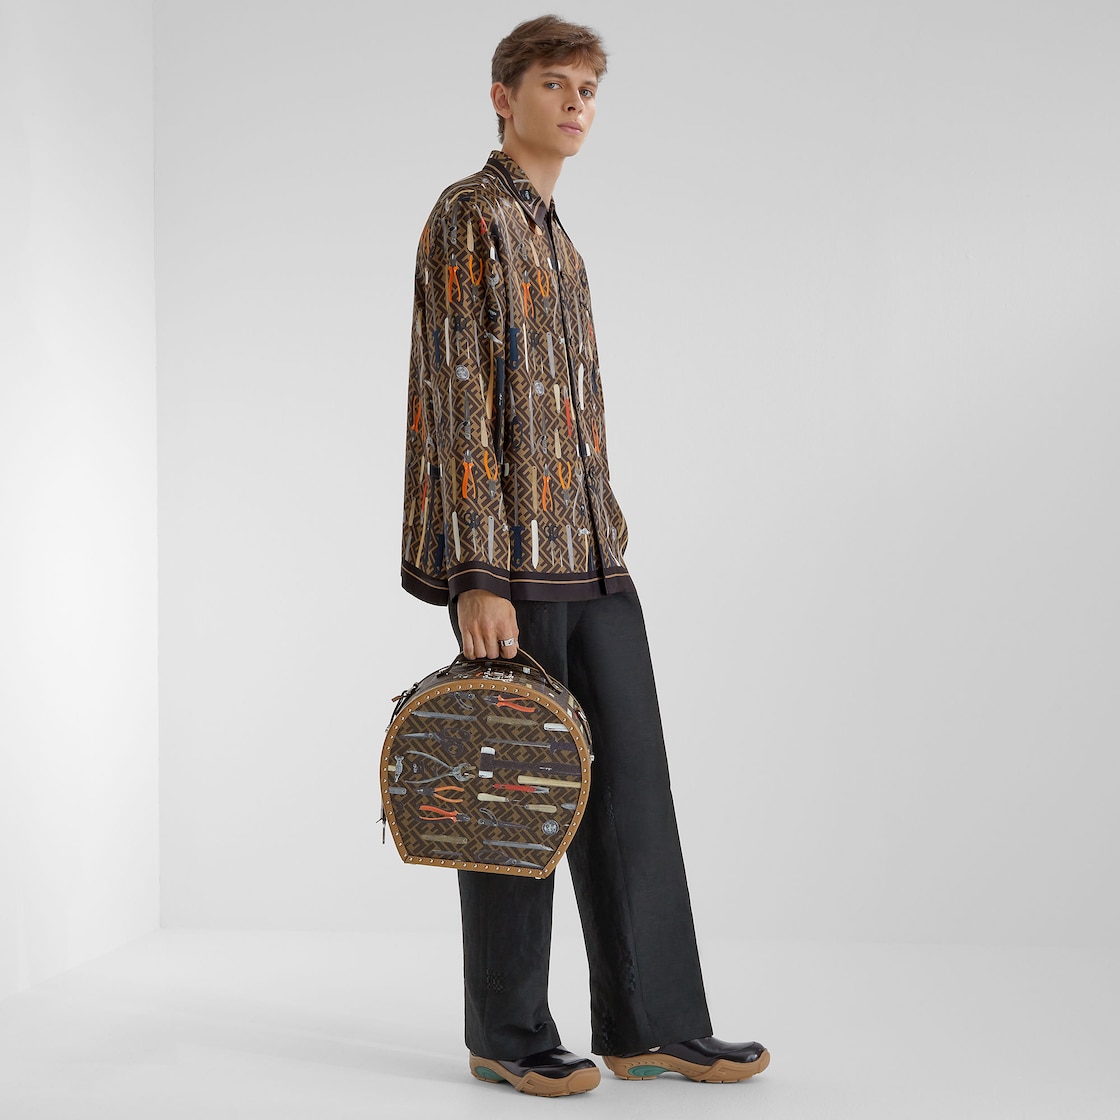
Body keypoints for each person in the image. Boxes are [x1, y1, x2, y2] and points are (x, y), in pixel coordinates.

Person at [399, 14, 770, 1097]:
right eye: (554, 84)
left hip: (592, 558)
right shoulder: (470, 216)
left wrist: (607, 525)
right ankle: (507, 1032)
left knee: (631, 790)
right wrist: (475, 572)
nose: (574, 105)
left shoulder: (558, 236)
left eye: (588, 90)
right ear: (502, 96)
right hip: (509, 565)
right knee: (515, 790)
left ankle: (653, 1024)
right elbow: (457, 395)